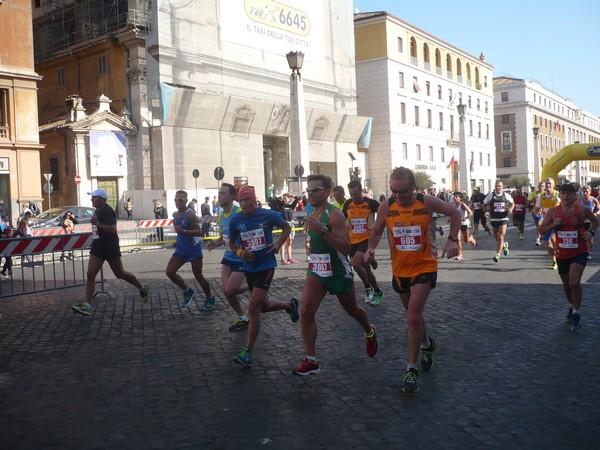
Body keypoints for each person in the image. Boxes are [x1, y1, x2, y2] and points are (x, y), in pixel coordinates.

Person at [365, 167, 461, 393]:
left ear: (414, 188)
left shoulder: (426, 202)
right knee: (414, 317)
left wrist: (452, 240)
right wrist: (370, 248)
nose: (398, 196)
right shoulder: (386, 206)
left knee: (411, 317)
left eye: (403, 191)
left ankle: (411, 369)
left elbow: (455, 213)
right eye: (394, 191)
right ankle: (427, 344)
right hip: (400, 270)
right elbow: (377, 231)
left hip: (424, 266)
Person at [292, 174, 378, 376]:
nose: (311, 194)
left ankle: (368, 329)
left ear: (327, 192)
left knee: (352, 310)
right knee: (306, 311)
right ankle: (311, 360)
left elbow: (345, 247)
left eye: (315, 190)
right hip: (317, 269)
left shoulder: (334, 215)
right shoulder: (311, 211)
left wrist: (322, 230)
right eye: (308, 190)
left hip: (338, 270)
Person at [227, 185, 299, 367]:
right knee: (263, 306)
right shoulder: (236, 220)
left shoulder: (268, 215)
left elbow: (287, 228)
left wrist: (278, 244)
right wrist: (241, 253)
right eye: (241, 200)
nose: (243, 204)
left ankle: (247, 352)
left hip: (266, 266)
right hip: (249, 268)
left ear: (254, 200)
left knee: (252, 308)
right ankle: (289, 305)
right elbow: (232, 244)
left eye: (247, 200)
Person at [72, 190, 150, 316]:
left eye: (94, 197)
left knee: (120, 273)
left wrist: (97, 223)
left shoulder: (108, 211)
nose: (92, 199)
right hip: (98, 246)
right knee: (90, 274)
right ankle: (87, 305)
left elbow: (113, 229)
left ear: (102, 199)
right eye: (92, 197)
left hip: (110, 247)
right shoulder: (97, 210)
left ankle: (142, 288)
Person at [538, 183, 598, 331]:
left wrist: (591, 232)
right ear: (560, 195)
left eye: (568, 193)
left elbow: (595, 221)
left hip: (579, 251)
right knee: (566, 285)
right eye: (563, 193)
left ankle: (576, 314)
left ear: (574, 195)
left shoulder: (582, 210)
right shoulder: (553, 212)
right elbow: (541, 229)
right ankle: (572, 306)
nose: (565, 196)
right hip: (562, 253)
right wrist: (553, 226)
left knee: (574, 282)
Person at [207, 183, 250, 331]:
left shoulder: (239, 212)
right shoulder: (221, 215)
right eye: (219, 193)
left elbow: (249, 232)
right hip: (228, 257)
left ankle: (252, 286)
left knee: (231, 290)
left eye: (223, 193)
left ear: (232, 196)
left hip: (240, 257)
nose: (219, 196)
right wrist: (215, 242)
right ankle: (243, 317)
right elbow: (224, 237)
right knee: (227, 291)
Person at [166, 190, 215, 311]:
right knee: (170, 272)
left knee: (198, 275)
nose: (178, 202)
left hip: (193, 249)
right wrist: (178, 240)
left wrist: (184, 232)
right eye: (176, 200)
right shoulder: (175, 215)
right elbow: (180, 232)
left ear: (186, 201)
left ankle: (209, 297)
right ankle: (187, 291)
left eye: (181, 200)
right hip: (181, 249)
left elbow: (200, 232)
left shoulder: (190, 214)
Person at [343, 180, 383, 305]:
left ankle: (367, 288)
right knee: (367, 270)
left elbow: (385, 212)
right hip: (353, 241)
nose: (353, 197)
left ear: (361, 191)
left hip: (366, 239)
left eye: (355, 193)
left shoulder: (370, 203)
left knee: (355, 264)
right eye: (351, 194)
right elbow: (341, 220)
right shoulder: (348, 204)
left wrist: (378, 229)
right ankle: (377, 291)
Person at [483, 180, 514, 263]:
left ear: (502, 187)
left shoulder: (506, 195)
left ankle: (498, 255)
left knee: (500, 236)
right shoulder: (491, 195)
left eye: (499, 186)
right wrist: (485, 211)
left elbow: (512, 203)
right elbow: (484, 204)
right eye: (496, 186)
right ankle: (504, 245)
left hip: (504, 218)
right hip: (494, 219)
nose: (498, 188)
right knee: (496, 237)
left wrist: (511, 209)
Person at [536, 178, 561, 269]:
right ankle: (554, 261)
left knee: (554, 239)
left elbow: (561, 206)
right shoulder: (540, 196)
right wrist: (538, 212)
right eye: (546, 184)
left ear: (553, 185)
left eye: (549, 184)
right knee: (548, 243)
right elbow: (537, 208)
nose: (547, 185)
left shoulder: (557, 194)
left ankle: (560, 255)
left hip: (556, 220)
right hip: (546, 221)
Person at [451, 191, 476, 260]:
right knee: (458, 239)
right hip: (457, 224)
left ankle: (471, 239)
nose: (455, 198)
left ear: (460, 198)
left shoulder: (462, 205)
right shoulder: (454, 205)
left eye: (456, 197)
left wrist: (464, 219)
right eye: (454, 196)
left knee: (466, 240)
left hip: (465, 224)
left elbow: (470, 213)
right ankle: (460, 254)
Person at [579, 185, 600, 259]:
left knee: (590, 239)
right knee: (580, 238)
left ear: (590, 192)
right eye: (583, 191)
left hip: (591, 222)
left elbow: (599, 209)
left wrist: (595, 213)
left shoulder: (593, 200)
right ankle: (581, 251)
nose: (585, 193)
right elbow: (574, 209)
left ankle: (588, 252)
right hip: (581, 222)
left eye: (586, 192)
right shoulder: (579, 200)